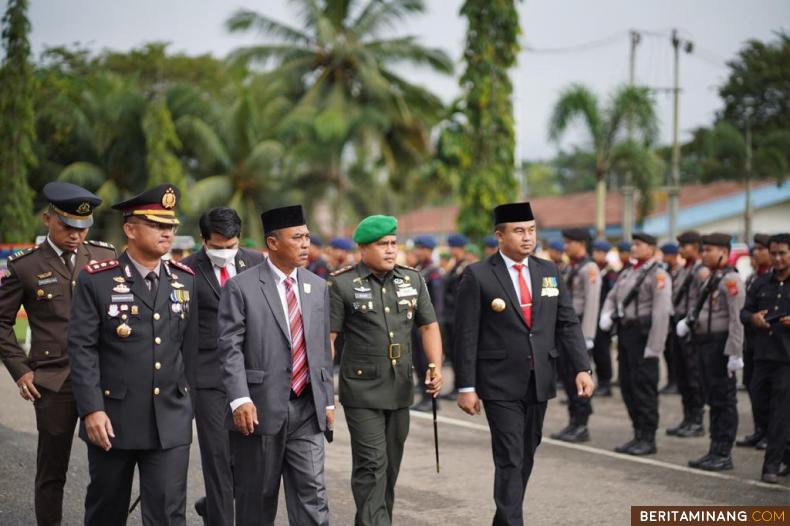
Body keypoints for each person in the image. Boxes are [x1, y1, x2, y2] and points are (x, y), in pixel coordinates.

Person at [455, 202, 594, 526]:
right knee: (510, 457)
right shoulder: (478, 275)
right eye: (519, 231)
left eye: (531, 230)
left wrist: (582, 368)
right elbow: (465, 335)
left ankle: (504, 520)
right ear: (500, 235)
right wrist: (466, 386)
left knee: (526, 455)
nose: (527, 237)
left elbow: (567, 323)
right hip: (498, 382)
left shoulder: (549, 271)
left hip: (539, 378)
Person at [68, 184, 198, 525]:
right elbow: (82, 349)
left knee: (168, 514)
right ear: (130, 228)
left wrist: (190, 403)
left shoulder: (186, 281)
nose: (167, 232)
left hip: (170, 418)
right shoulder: (97, 280)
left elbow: (192, 349)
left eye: (170, 225)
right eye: (157, 224)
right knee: (106, 511)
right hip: (114, 418)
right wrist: (92, 409)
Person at [0, 182, 115, 526]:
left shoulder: (104, 258)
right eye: (68, 226)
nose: (77, 235)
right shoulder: (26, 267)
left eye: (83, 227)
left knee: (109, 466)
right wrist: (21, 370)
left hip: (103, 377)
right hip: (54, 379)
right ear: (47, 219)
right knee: (53, 469)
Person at [217, 205, 334, 526]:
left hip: (306, 409)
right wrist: (240, 398)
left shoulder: (317, 287)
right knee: (257, 499)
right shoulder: (241, 287)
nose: (305, 244)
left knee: (313, 495)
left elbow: (321, 347)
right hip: (259, 409)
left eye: (308, 236)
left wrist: (327, 400)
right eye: (297, 237)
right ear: (272, 243)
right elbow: (229, 349)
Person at [328, 215, 443, 526]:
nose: (391, 250)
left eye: (394, 243)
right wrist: (324, 389)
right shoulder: (341, 284)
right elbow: (329, 340)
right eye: (383, 245)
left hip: (401, 386)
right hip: (361, 390)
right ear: (363, 248)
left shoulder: (412, 279)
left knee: (390, 467)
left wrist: (434, 367)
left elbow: (429, 325)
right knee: (371, 465)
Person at [181, 207, 264, 525]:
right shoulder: (186, 271)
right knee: (216, 458)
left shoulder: (256, 264)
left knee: (246, 460)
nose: (225, 252)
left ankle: (212, 506)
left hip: (250, 378)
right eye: (217, 246)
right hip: (208, 378)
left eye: (231, 245)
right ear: (203, 240)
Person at [677, 233, 744, 471]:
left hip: (721, 346)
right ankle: (714, 449)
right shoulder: (712, 277)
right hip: (705, 344)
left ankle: (724, 452)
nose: (704, 254)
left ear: (724, 252)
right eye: (703, 250)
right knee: (713, 399)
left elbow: (736, 320)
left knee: (724, 400)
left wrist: (735, 353)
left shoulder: (731, 280)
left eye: (710, 250)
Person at [600, 233, 672, 456]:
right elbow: (613, 295)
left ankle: (648, 438)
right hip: (626, 335)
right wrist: (606, 313)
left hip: (644, 336)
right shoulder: (629, 271)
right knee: (628, 387)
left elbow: (661, 313)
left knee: (644, 389)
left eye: (639, 244)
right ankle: (638, 433)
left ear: (651, 248)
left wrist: (655, 346)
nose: (634, 247)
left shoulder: (658, 275)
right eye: (634, 244)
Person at [740, 233, 790, 483]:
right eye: (774, 253)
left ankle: (771, 465)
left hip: (786, 360)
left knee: (781, 412)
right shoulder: (761, 283)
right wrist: (753, 318)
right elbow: (744, 311)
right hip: (761, 356)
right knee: (761, 407)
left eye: (782, 253)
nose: (777, 258)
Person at [551, 227, 600, 443]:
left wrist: (587, 336)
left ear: (580, 243)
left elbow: (591, 303)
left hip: (578, 328)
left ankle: (582, 424)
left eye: (569, 242)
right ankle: (573, 422)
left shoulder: (589, 268)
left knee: (579, 377)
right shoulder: (570, 266)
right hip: (564, 329)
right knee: (568, 378)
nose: (565, 246)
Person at [666, 231, 709, 438]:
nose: (681, 250)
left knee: (693, 376)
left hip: (691, 326)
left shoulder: (701, 271)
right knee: (681, 374)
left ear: (695, 246)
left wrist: (690, 320)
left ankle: (697, 420)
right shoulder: (684, 269)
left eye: (685, 246)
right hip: (677, 324)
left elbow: (703, 301)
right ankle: (687, 418)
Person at [736, 233, 773, 450]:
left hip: (770, 344)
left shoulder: (776, 278)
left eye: (761, 249)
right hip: (752, 343)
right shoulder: (754, 278)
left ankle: (771, 433)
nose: (755, 253)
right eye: (754, 249)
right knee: (753, 387)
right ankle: (760, 429)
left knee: (769, 392)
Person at [409, 235, 444, 412]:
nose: (417, 252)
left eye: (420, 248)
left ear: (428, 250)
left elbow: (437, 302)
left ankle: (431, 399)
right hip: (415, 325)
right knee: (418, 361)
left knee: (427, 362)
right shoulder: (419, 269)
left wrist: (433, 325)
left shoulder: (433, 272)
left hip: (427, 326)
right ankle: (423, 395)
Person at [440, 233, 469, 399]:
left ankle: (461, 386)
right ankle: (456, 385)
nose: (452, 250)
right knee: (452, 352)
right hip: (450, 315)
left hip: (458, 316)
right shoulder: (455, 266)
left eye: (454, 247)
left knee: (459, 353)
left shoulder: (465, 267)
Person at [591, 239, 617, 396]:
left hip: (603, 317)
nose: (596, 254)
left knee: (603, 352)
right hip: (593, 316)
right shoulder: (594, 269)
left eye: (599, 252)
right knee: (595, 352)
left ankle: (605, 383)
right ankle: (600, 381)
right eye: (595, 251)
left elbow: (612, 295)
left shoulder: (610, 272)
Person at [659, 242, 681, 395]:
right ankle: (671, 380)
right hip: (666, 317)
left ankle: (676, 382)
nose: (664, 258)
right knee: (667, 351)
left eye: (667, 255)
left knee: (675, 353)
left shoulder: (680, 272)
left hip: (677, 318)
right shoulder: (665, 272)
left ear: (674, 256)